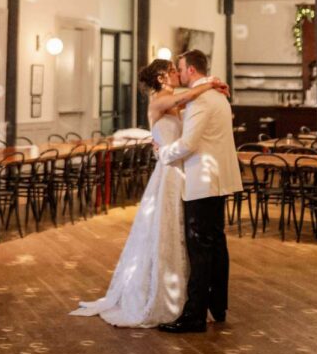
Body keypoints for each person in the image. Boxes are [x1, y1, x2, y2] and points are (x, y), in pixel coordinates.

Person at [69, 58, 230, 328]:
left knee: (183, 234)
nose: (175, 73)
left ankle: (186, 297)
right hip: (168, 173)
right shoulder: (158, 101)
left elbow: (188, 99)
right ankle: (161, 295)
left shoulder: (174, 101)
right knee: (165, 230)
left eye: (176, 69)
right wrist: (210, 84)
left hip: (182, 171)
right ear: (160, 78)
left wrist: (211, 87)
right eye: (171, 71)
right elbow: (188, 95)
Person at [157, 49, 243, 334]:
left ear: (191, 70)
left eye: (181, 69)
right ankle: (218, 306)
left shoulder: (202, 100)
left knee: (200, 250)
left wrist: (163, 153)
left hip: (203, 182)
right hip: (219, 180)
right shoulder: (218, 95)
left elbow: (189, 143)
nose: (179, 74)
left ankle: (194, 315)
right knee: (217, 244)